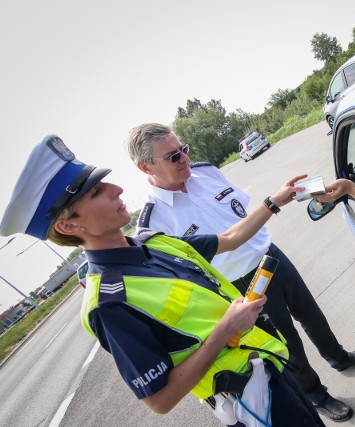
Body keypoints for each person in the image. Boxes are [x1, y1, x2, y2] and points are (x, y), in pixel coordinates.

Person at [0, 135, 324, 427]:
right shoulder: (108, 303)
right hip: (250, 402)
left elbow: (229, 237)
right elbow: (160, 400)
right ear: (69, 227)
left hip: (272, 365)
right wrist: (226, 328)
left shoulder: (154, 242)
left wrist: (273, 201)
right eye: (97, 192)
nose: (117, 189)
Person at [126, 123, 355, 422]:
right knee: (287, 344)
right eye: (173, 157)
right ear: (145, 167)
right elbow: (220, 245)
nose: (185, 159)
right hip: (241, 282)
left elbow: (239, 215)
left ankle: (338, 357)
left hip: (270, 255)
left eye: (184, 150)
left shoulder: (206, 172)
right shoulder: (154, 223)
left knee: (311, 315)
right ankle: (316, 394)